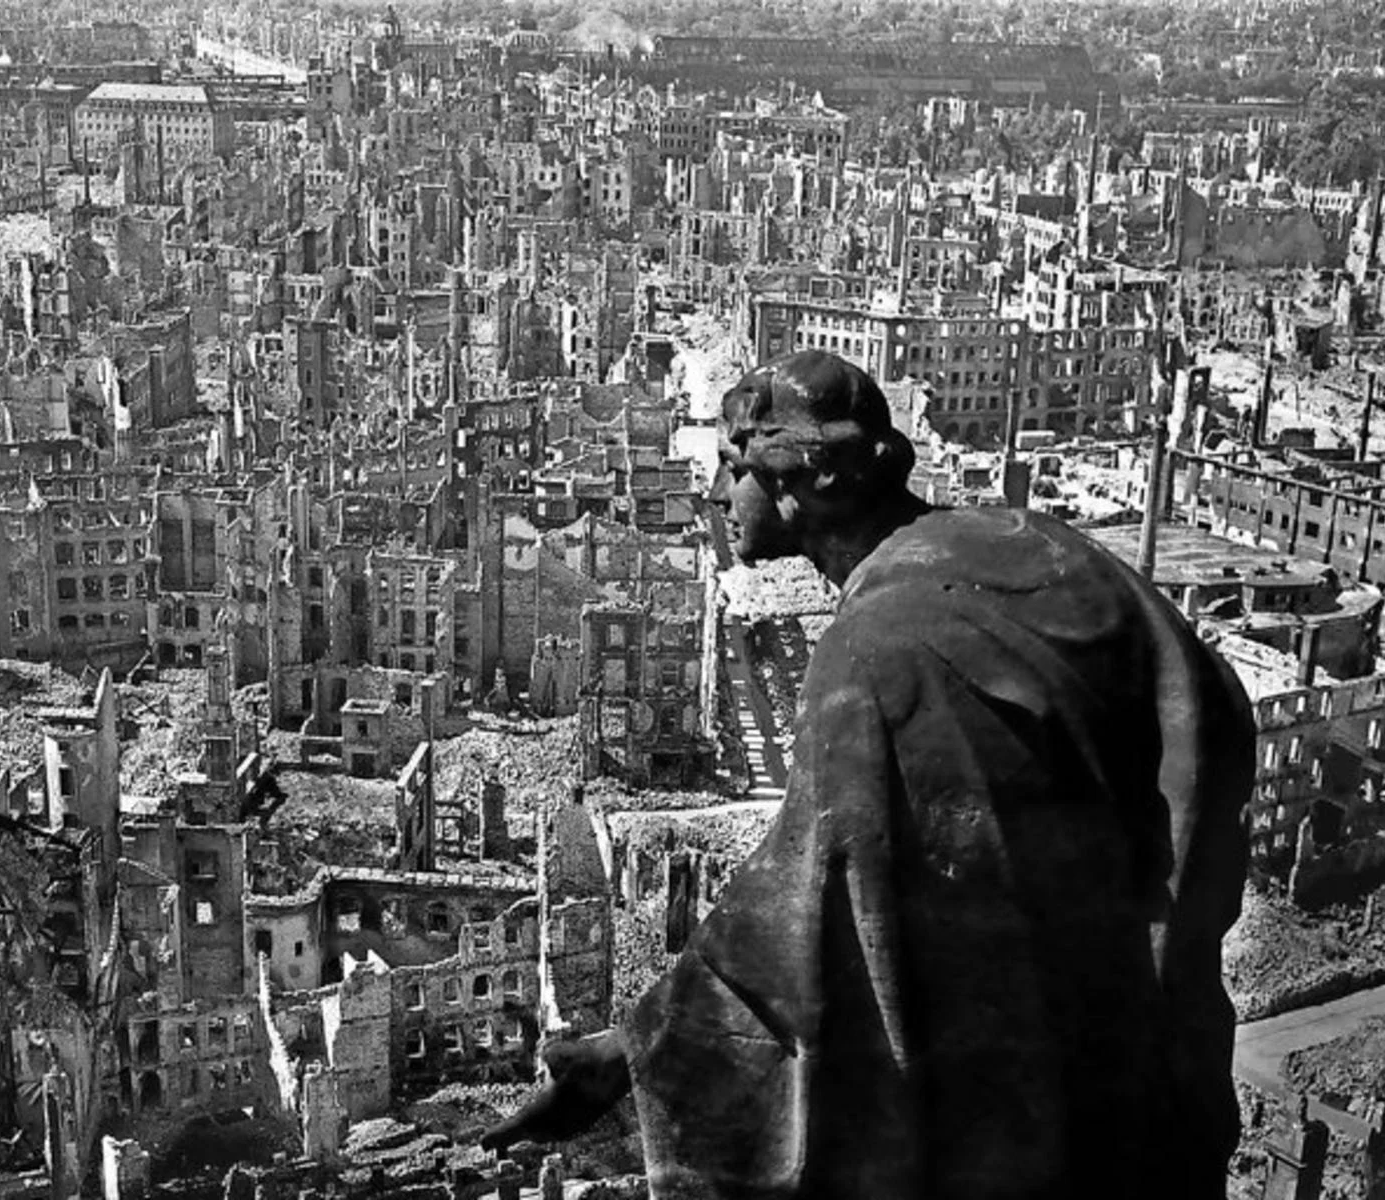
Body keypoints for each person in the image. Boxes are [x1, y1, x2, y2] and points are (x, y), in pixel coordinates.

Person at [482, 350, 1253, 1200]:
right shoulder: (1032, 545)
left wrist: (640, 1051)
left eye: (732, 467)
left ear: (800, 483)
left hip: (1016, 1104)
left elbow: (801, 925)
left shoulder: (874, 659)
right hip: (1138, 1057)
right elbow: (1204, 702)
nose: (711, 494)